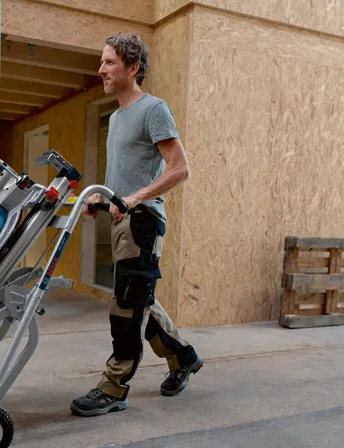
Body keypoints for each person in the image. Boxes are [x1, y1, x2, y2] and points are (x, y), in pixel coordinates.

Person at [70, 32, 203, 417]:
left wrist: (134, 199)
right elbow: (125, 175)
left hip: (143, 221)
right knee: (139, 299)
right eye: (101, 61)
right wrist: (105, 199)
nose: (101, 69)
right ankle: (183, 358)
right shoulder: (115, 117)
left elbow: (180, 169)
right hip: (122, 219)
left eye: (109, 62)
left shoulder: (153, 109)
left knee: (127, 308)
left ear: (133, 67)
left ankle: (113, 388)